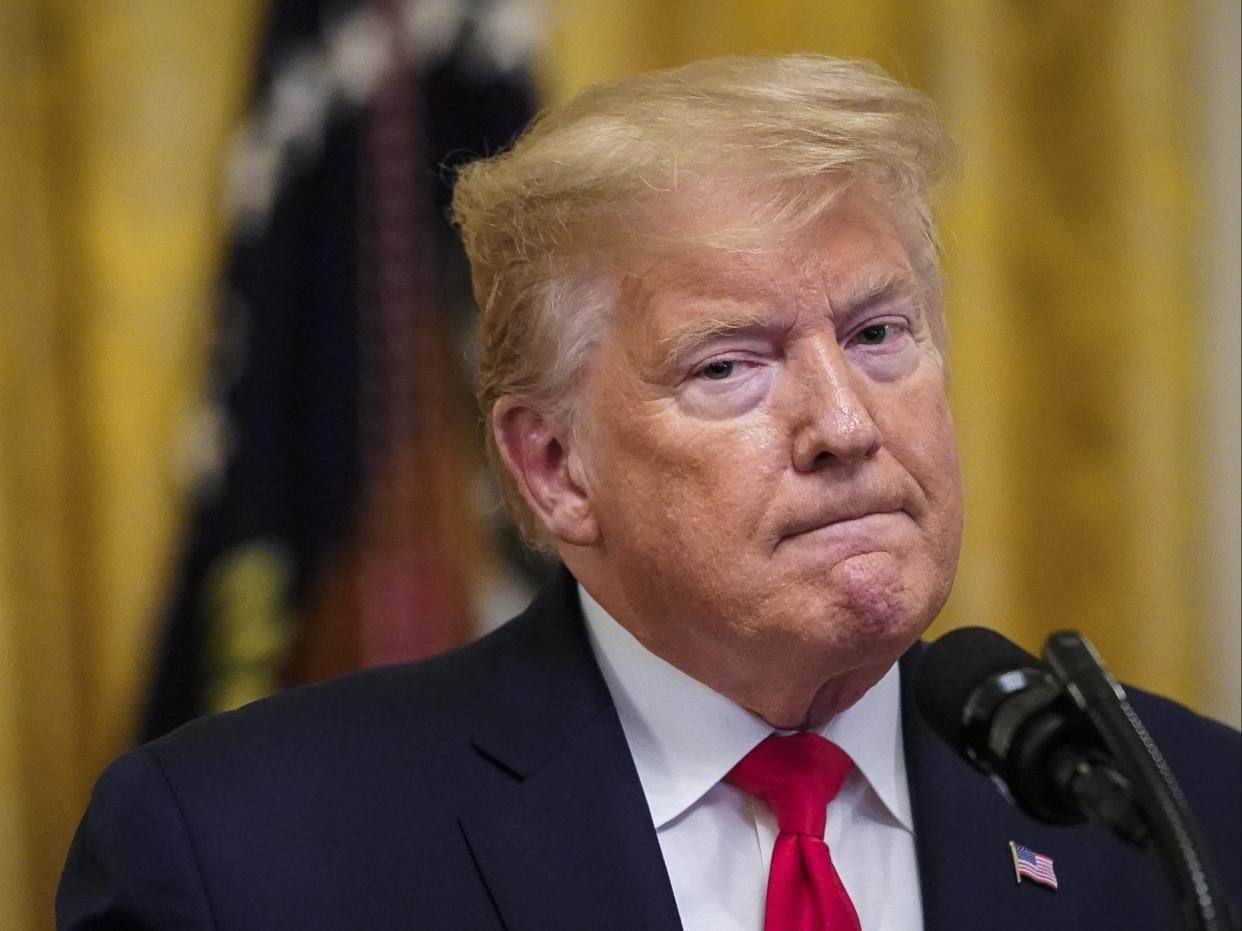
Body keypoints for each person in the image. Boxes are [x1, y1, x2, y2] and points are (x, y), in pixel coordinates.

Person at [57, 54, 1238, 931]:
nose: (845, 422)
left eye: (880, 333)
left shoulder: (1186, 815)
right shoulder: (243, 856)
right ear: (554, 468)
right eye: (729, 364)